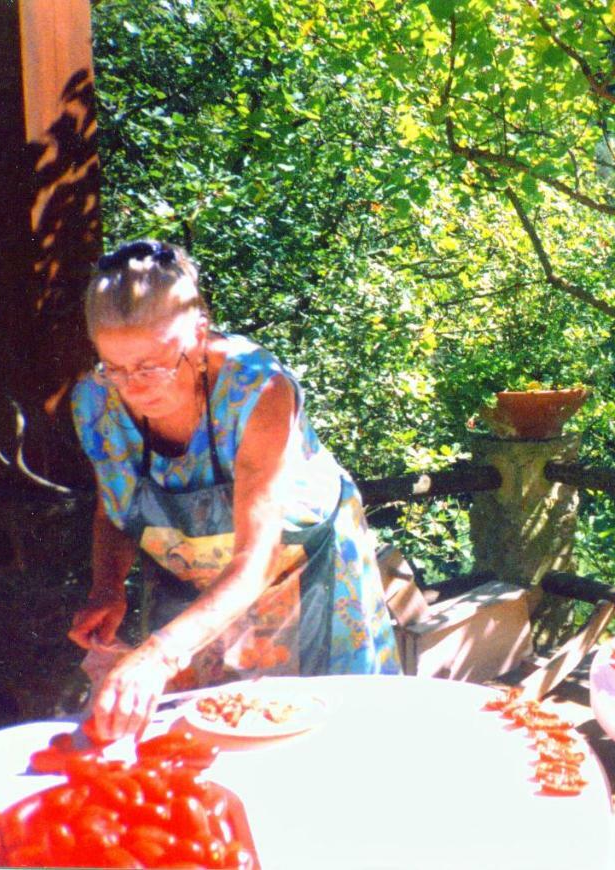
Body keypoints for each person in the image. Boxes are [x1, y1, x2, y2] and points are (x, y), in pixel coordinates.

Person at [68, 240, 400, 740]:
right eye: (115, 366)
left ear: (198, 334)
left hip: (308, 573)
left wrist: (159, 653)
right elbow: (114, 506)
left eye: (153, 365)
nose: (134, 386)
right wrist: (107, 587)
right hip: (205, 592)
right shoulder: (95, 399)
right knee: (210, 738)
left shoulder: (258, 390)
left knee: (327, 735)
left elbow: (255, 558)